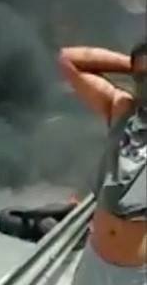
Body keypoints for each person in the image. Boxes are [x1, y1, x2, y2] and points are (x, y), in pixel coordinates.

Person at [59, 41, 147, 284]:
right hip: (94, 261)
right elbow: (69, 60)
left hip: (136, 273)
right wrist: (132, 64)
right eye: (142, 78)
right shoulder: (122, 109)